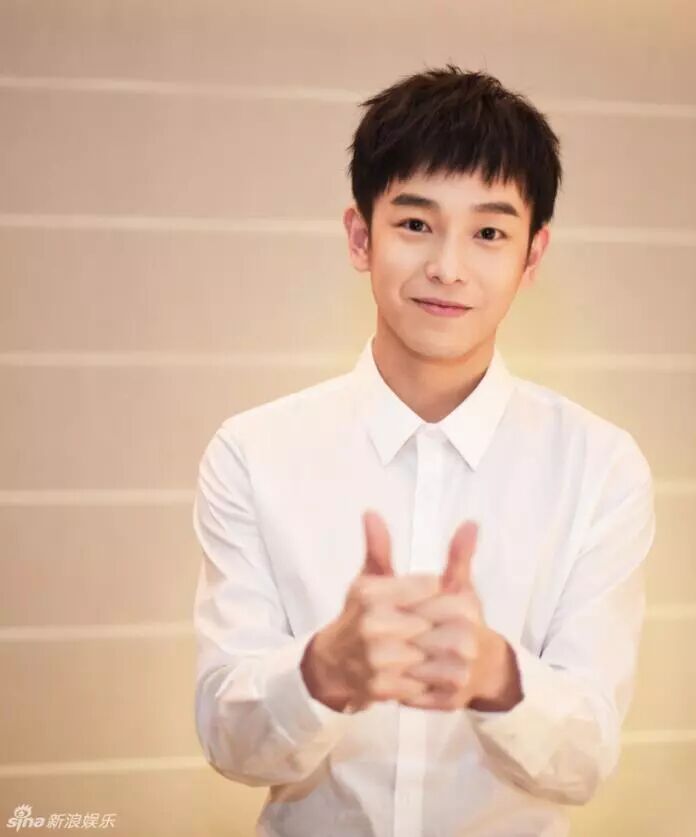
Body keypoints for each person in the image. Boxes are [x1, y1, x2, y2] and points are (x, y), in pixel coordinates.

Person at [192, 63, 656, 837]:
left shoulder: (601, 467)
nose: (447, 266)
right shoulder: (252, 453)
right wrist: (323, 671)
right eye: (415, 224)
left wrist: (497, 675)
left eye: (489, 233)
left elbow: (587, 760)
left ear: (532, 257)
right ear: (360, 236)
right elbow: (228, 741)